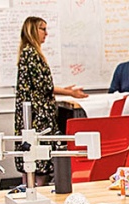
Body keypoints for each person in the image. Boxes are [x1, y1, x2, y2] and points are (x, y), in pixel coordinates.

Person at [14, 16, 87, 183]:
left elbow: (41, 85)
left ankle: (32, 189)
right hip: (37, 116)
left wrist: (66, 90)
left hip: (33, 113)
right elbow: (44, 87)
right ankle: (37, 192)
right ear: (33, 30)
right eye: (43, 29)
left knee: (30, 160)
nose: (46, 33)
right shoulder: (31, 53)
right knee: (38, 160)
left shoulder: (28, 52)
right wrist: (69, 93)